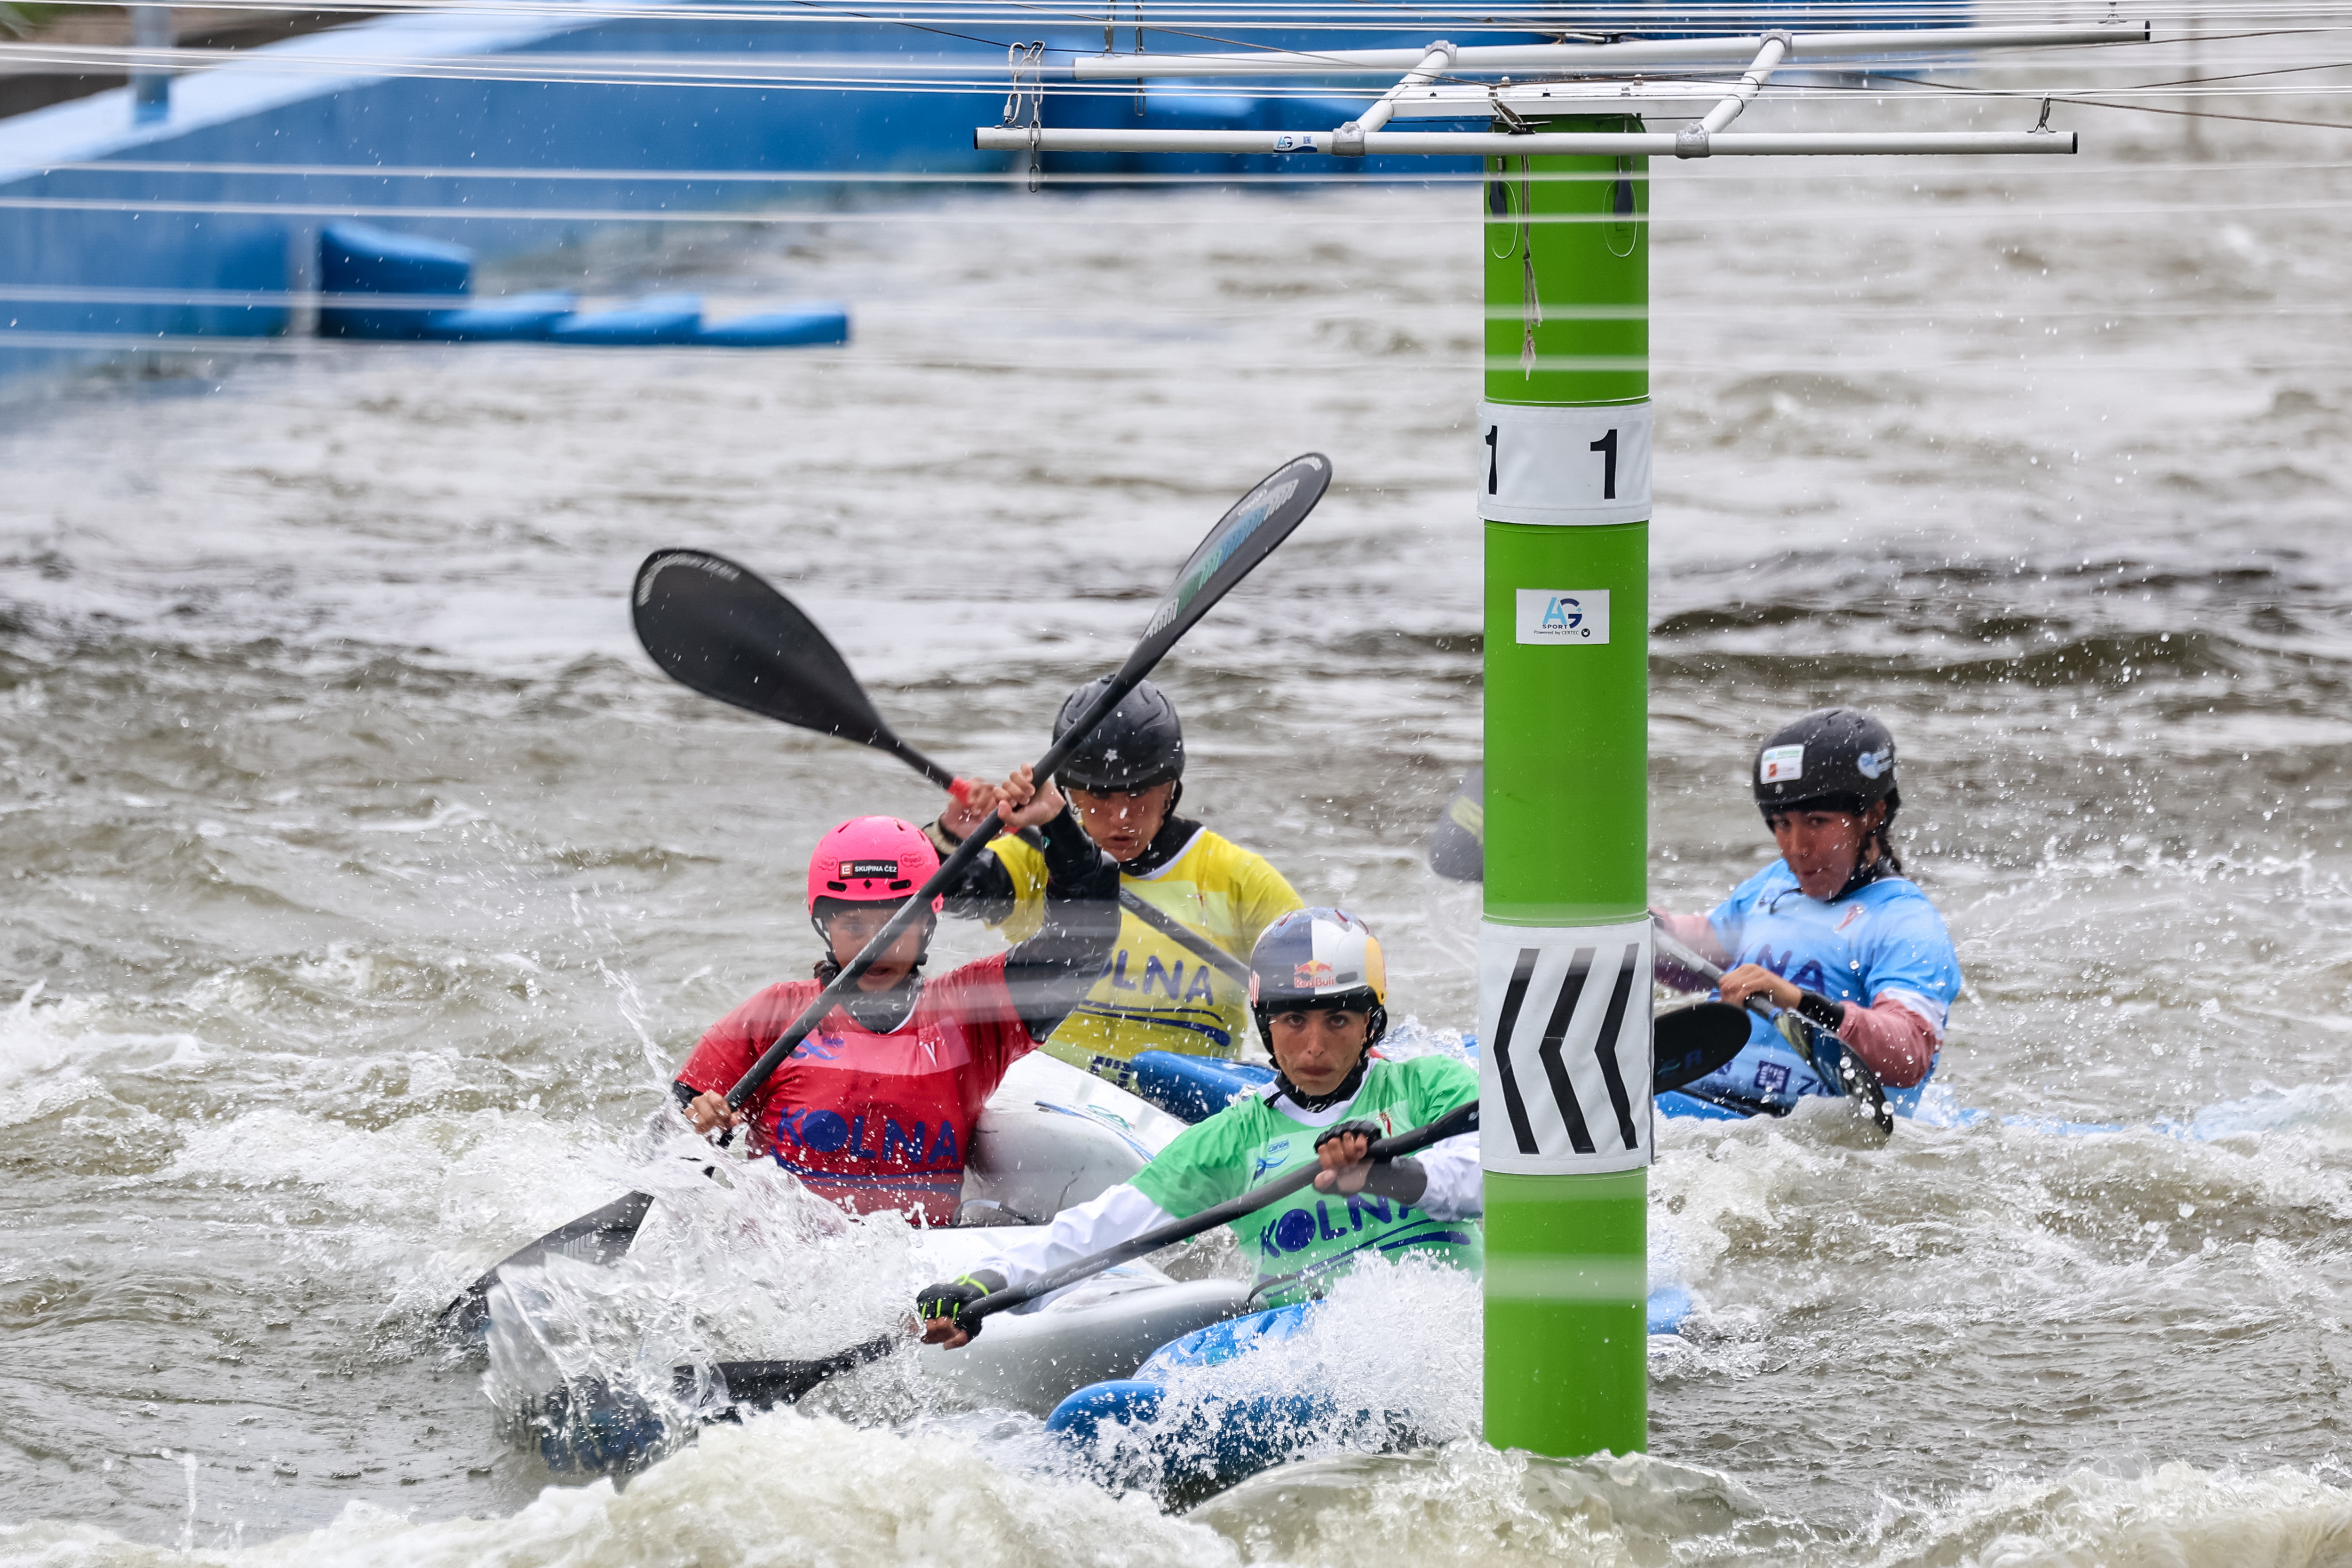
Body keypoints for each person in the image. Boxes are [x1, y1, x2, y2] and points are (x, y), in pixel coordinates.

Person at [911, 908, 1480, 1345]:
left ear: (1370, 1023)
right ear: (1264, 1024)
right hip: (1308, 1340)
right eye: (1292, 1020)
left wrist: (1389, 1175)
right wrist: (989, 1285)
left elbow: (1495, 1180)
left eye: (1337, 1019)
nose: (1313, 1045)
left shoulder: (1430, 1088)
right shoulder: (1231, 1139)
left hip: (1444, 1321)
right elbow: (1105, 1229)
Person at [670, 764, 1120, 1225]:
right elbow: (675, 1124)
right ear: (822, 925)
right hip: (781, 1271)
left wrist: (1057, 824)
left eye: (895, 923)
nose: (876, 944)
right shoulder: (773, 1015)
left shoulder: (972, 1014)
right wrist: (699, 1118)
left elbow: (1082, 939)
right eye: (853, 926)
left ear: (928, 922)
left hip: (916, 1273)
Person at [924, 677, 1304, 1075]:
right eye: (1101, 796)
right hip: (1049, 1100)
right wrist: (952, 837)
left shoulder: (1239, 879)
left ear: (1170, 789)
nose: (1120, 818)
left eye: (1137, 794)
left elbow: (1320, 991)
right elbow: (939, 891)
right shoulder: (1037, 858)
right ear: (1070, 794)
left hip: (1182, 1114)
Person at [1653, 707, 1962, 1114]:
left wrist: (1797, 1000)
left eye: (1817, 821)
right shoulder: (1772, 885)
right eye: (1781, 823)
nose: (1795, 846)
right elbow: (1698, 955)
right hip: (1698, 1099)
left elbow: (1908, 1054)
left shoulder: (1905, 923)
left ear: (1873, 814)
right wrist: (1643, 928)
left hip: (1793, 1135)